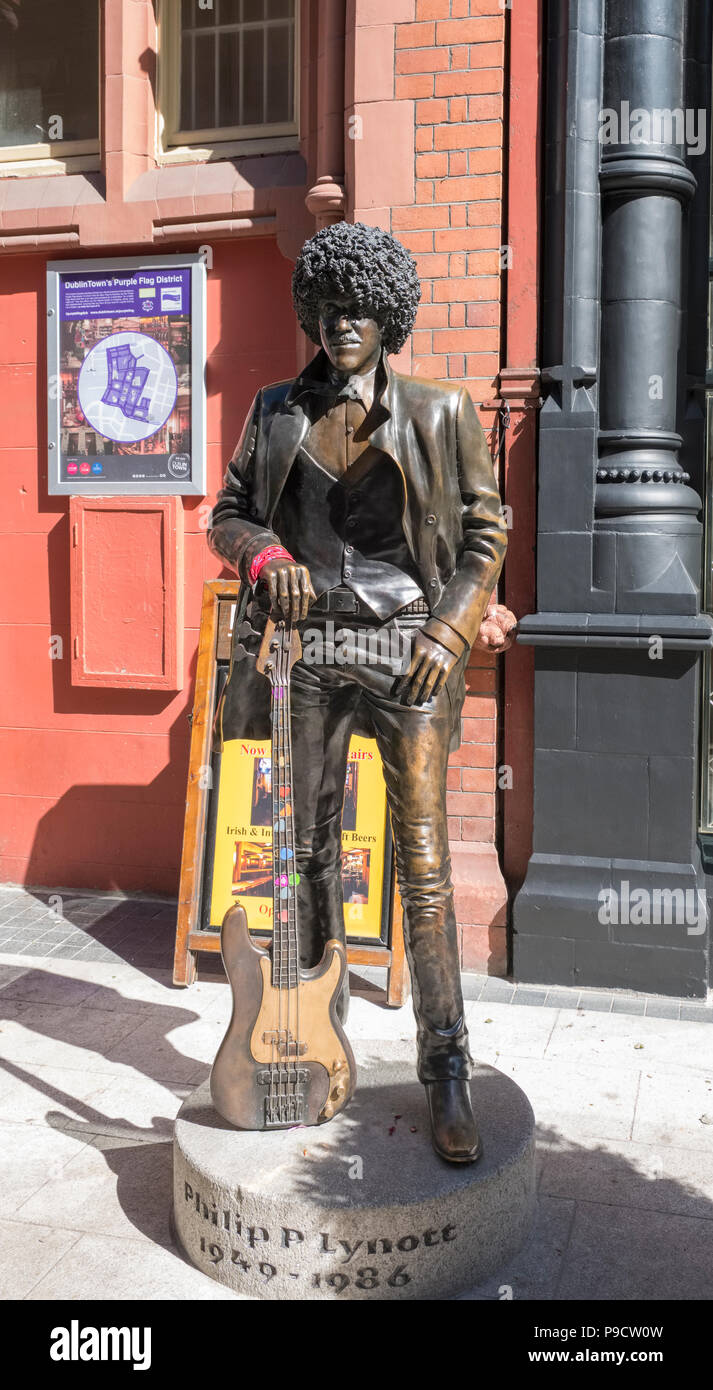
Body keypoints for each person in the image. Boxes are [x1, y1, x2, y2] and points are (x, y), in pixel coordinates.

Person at [209, 221, 513, 1163]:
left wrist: (447, 629)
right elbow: (229, 514)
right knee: (303, 855)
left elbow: (484, 532)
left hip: (406, 647)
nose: (346, 323)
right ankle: (309, 1043)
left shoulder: (441, 411)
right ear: (312, 312)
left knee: (421, 866)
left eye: (363, 309)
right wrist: (263, 556)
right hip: (306, 653)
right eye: (330, 307)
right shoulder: (274, 411)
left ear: (390, 318)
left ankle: (447, 1069)